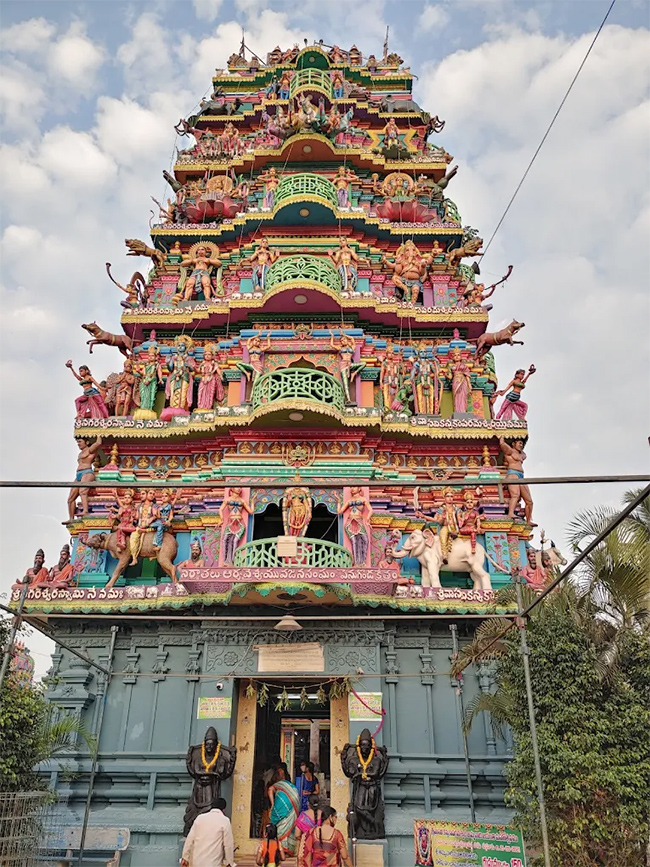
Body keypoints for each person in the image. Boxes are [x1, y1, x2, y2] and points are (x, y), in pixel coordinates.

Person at [181, 795, 235, 867]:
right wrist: (229, 862)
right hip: (213, 863)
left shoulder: (200, 818)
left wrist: (185, 857)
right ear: (223, 810)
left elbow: (190, 840)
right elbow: (228, 845)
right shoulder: (224, 821)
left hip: (196, 862)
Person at [269, 765, 300, 856]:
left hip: (284, 809)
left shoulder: (279, 785)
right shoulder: (290, 786)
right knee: (287, 826)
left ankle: (281, 849)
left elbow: (270, 790)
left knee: (281, 826)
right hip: (291, 809)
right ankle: (287, 850)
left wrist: (272, 804)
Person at [296, 793, 321, 867]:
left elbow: (297, 835)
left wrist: (305, 839)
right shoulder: (323, 815)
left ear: (308, 803)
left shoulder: (303, 816)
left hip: (306, 847)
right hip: (321, 846)